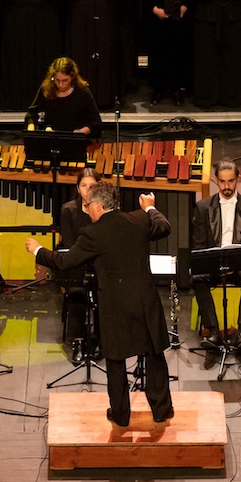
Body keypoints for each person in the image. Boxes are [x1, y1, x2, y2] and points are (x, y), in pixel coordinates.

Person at [27, 182, 175, 428]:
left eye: (88, 206)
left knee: (116, 360)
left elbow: (65, 262)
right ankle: (161, 410)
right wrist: (150, 208)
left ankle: (120, 414)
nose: (86, 211)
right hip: (144, 302)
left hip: (115, 307)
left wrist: (38, 250)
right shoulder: (139, 220)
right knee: (154, 355)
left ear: (97, 205)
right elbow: (163, 227)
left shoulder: (92, 234)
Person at [191, 160, 241, 350]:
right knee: (198, 277)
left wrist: (236, 261)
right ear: (216, 180)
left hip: (239, 263)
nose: (227, 186)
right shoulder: (203, 208)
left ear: (238, 179)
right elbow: (198, 245)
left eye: (231, 181)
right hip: (214, 262)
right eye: (222, 182)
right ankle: (212, 330)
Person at [56, 168, 101, 361]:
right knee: (76, 291)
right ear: (78, 188)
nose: (87, 190)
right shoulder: (69, 210)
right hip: (76, 263)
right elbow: (68, 243)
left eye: (92, 186)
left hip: (99, 263)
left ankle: (101, 338)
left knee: (105, 291)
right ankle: (78, 340)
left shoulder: (103, 209)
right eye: (83, 186)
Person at [26, 56, 103, 137]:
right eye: (57, 80)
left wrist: (81, 132)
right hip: (52, 139)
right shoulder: (46, 90)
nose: (60, 84)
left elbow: (96, 123)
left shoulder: (82, 92)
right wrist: (31, 129)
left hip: (77, 141)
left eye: (65, 80)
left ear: (72, 77)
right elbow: (31, 113)